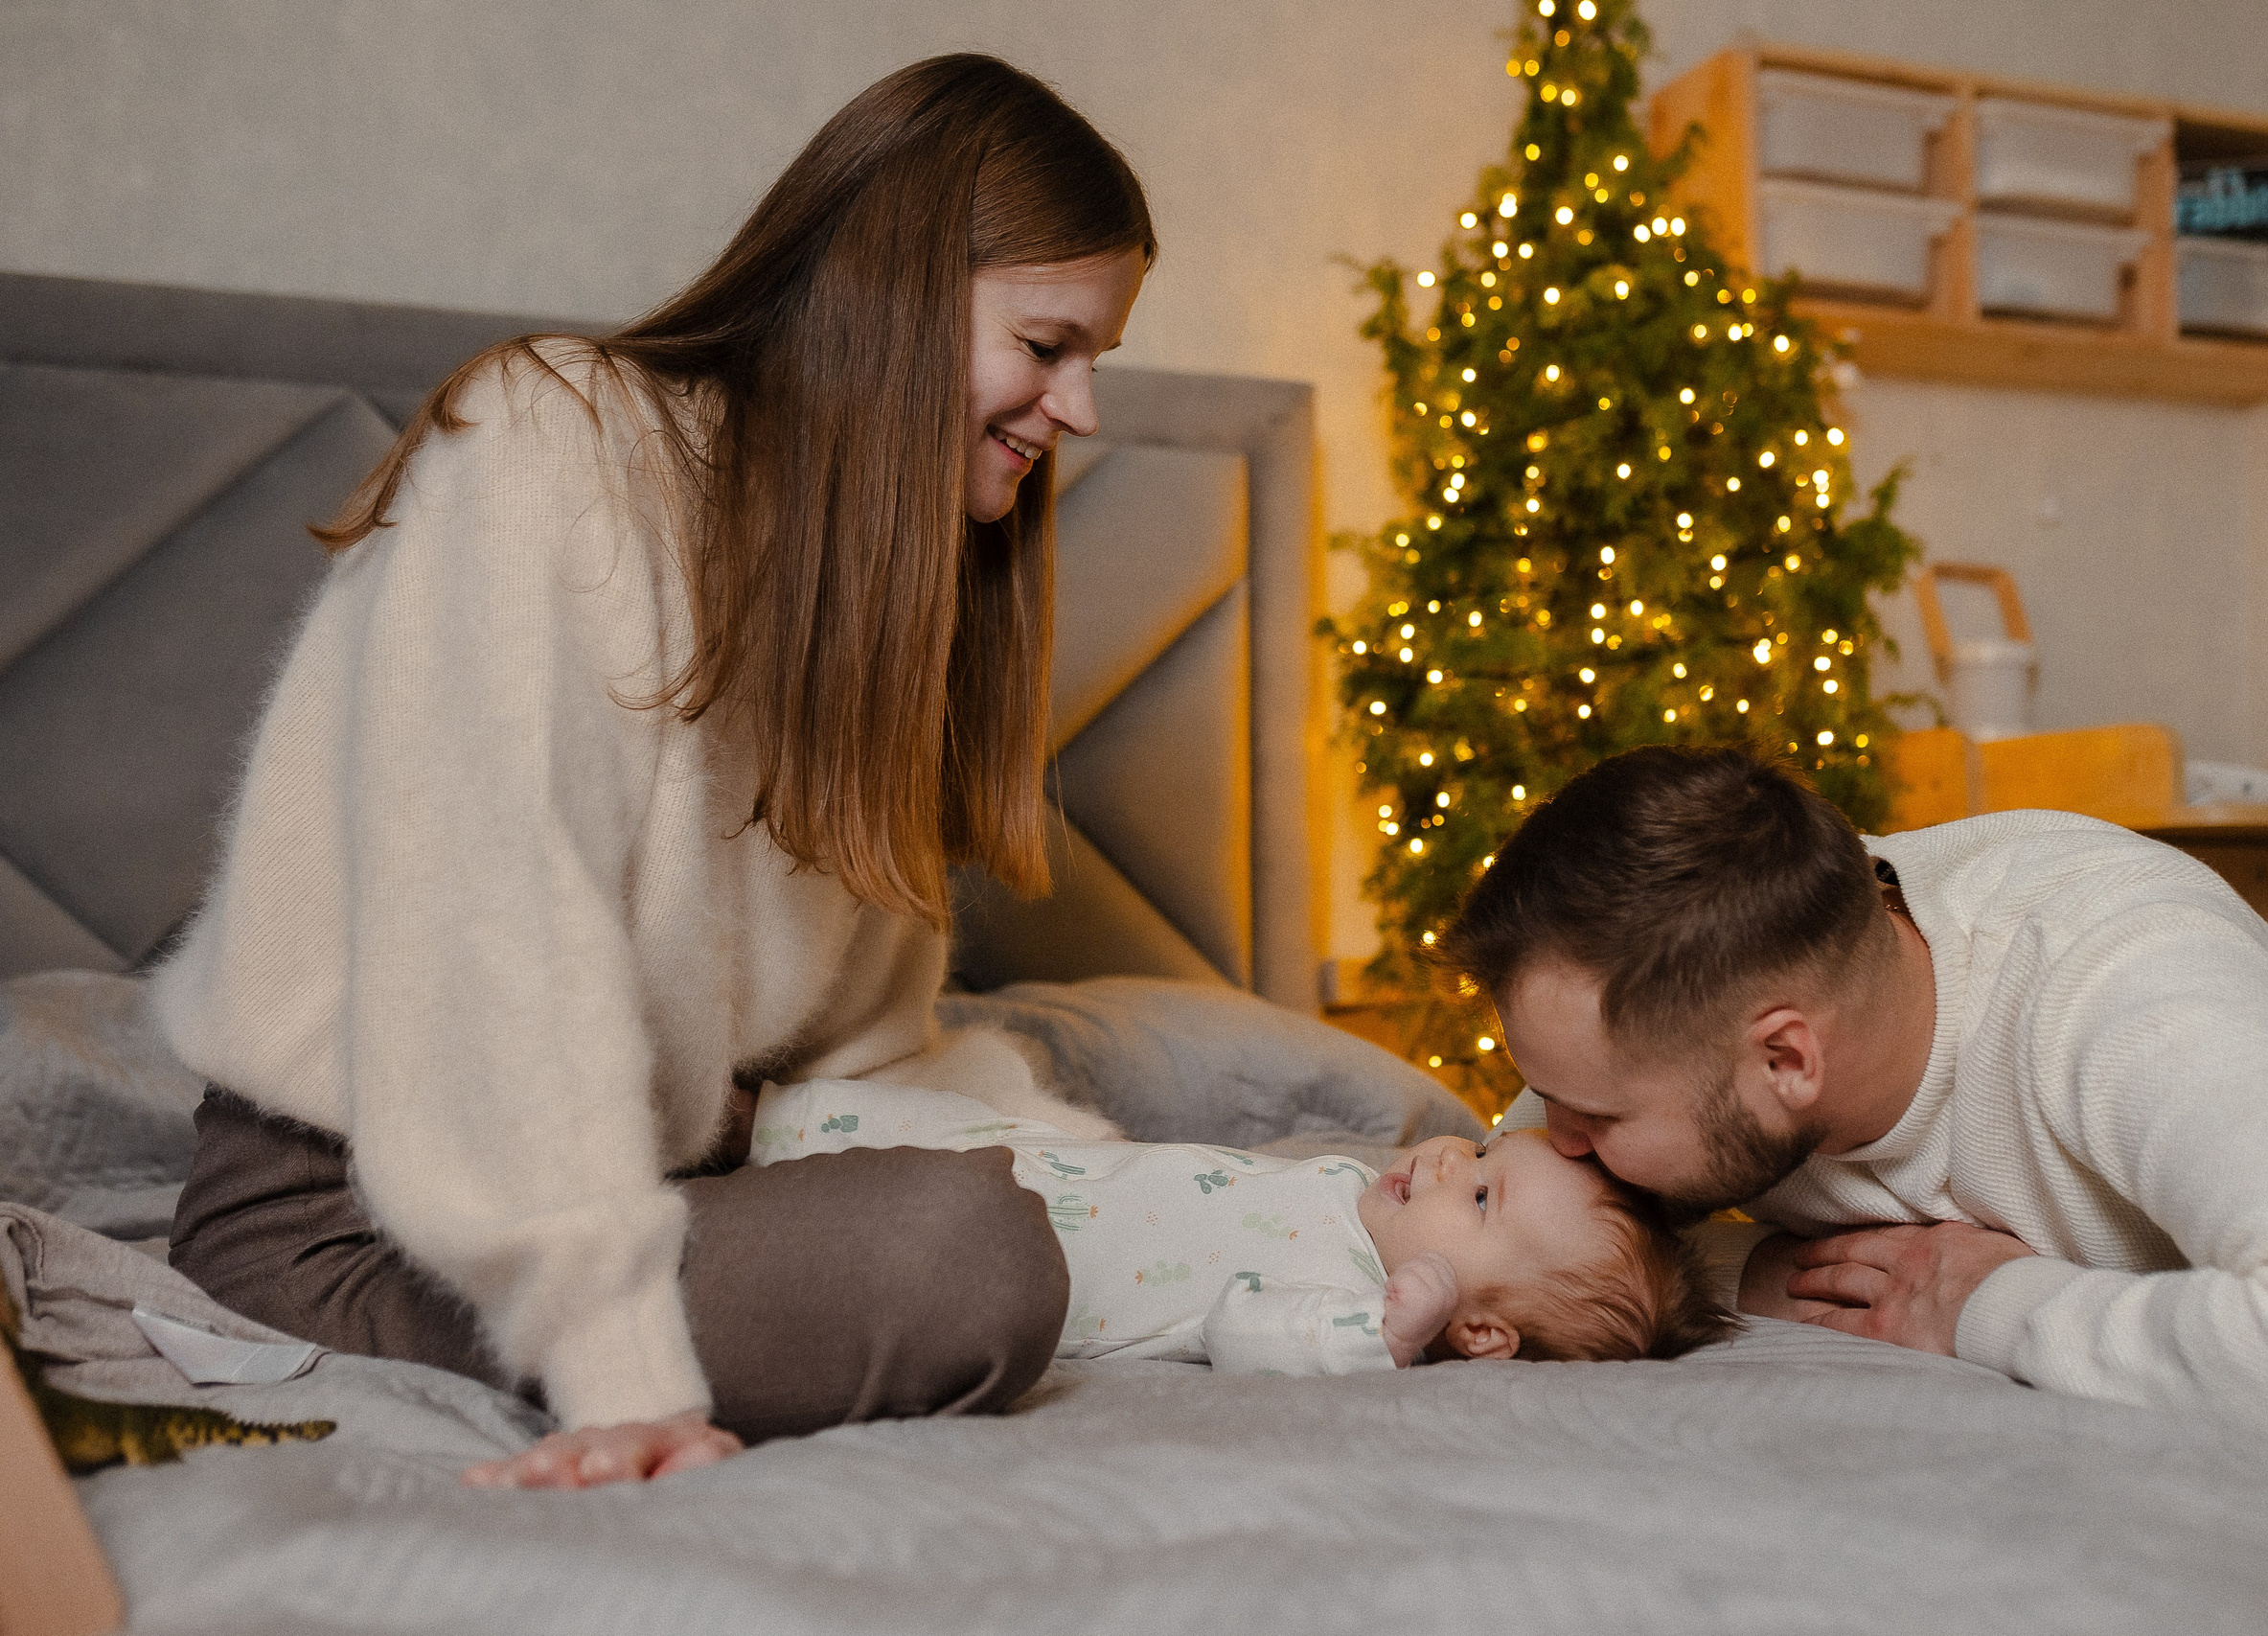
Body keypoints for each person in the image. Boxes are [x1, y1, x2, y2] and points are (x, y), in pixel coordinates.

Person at [153, 54, 1152, 1489]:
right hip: (363, 1214)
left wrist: (1192, 1199)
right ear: (897, 291)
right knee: (963, 1254)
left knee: (1000, 1211)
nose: (1085, 410)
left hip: (666, 1184)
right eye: (1050, 344)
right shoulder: (548, 441)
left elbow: (861, 1064)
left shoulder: (881, 593)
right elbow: (494, 924)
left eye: (1096, 356)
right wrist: (615, 1364)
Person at [1447, 745, 2268, 1457]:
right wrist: (1750, 1270)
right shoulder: (1714, 968)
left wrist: (1990, 1304)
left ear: (1787, 1060)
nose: (1553, 1144)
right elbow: (1502, 1250)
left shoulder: (2129, 991)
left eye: (1597, 1119)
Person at [749, 1080, 1734, 1371]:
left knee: (843, 1213)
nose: (1446, 1157)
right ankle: (750, 1118)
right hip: (1043, 1163)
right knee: (853, 1114)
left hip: (1006, 1250)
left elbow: (1241, 1327)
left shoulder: (1352, 1303)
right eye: (1479, 1153)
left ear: (1475, 1328)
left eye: (1478, 1196)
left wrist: (1376, 1333)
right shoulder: (1353, 1195)